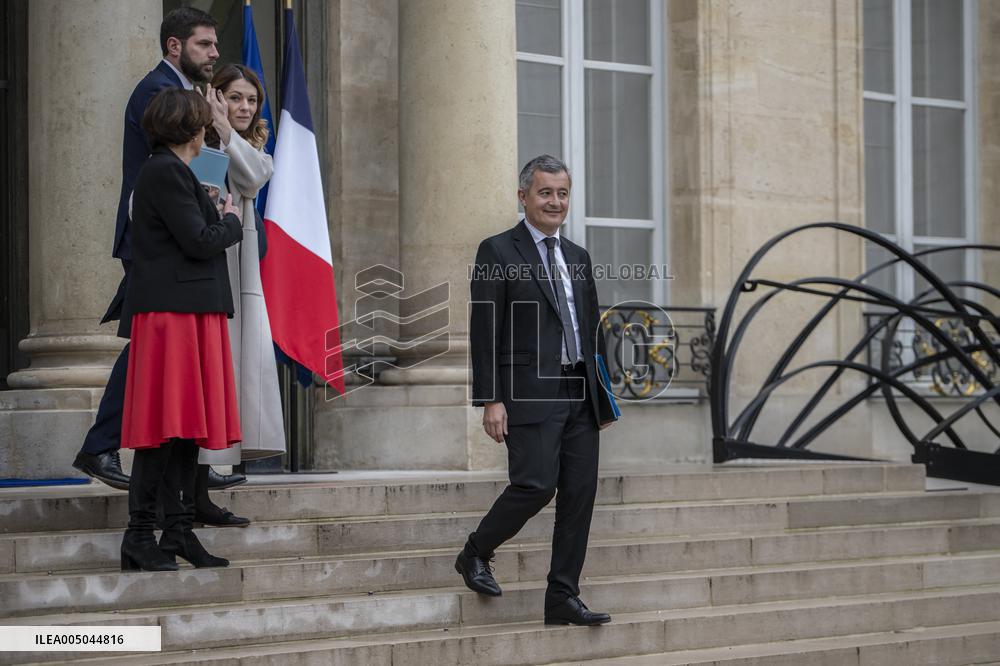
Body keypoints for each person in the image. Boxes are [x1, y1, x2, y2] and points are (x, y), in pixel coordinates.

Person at [72, 7, 246, 505]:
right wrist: (218, 214)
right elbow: (177, 169)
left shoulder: (187, 91)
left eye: (215, 44)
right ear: (175, 46)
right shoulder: (158, 91)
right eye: (204, 44)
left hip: (179, 232)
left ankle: (186, 467)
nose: (215, 53)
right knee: (154, 348)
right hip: (161, 237)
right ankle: (105, 447)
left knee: (167, 350)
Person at [458, 155, 618, 625]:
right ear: (523, 196)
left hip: (579, 393)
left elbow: (591, 330)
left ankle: (562, 597)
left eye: (562, 193)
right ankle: (475, 552)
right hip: (528, 392)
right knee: (535, 485)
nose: (555, 202)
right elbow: (485, 328)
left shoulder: (578, 258)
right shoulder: (496, 251)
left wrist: (603, 396)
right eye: (545, 192)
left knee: (579, 495)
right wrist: (490, 398)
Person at [119, 88, 243, 572]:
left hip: (188, 309)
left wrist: (213, 212)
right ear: (190, 127)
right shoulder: (165, 170)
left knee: (186, 428)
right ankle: (138, 536)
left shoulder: (173, 171)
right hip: (174, 314)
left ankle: (178, 531)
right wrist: (230, 221)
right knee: (163, 428)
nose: (208, 128)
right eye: (204, 122)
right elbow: (199, 241)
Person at [192, 64, 286, 522]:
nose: (245, 107)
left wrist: (228, 131)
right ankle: (195, 488)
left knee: (231, 376)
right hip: (210, 274)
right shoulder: (199, 144)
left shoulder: (248, 147)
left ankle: (204, 486)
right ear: (215, 98)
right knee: (211, 378)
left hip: (240, 276)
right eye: (234, 98)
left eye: (251, 100)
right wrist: (220, 132)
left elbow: (255, 175)